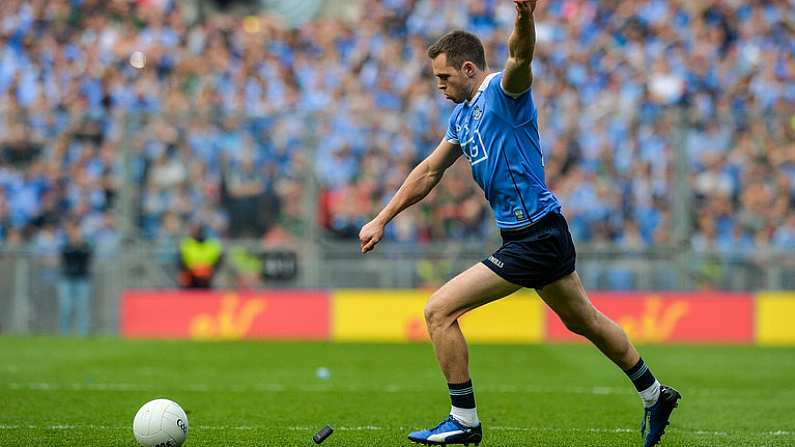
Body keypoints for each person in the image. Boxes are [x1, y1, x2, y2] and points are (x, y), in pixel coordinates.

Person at [358, 2, 681, 446]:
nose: (439, 86)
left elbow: (520, 58)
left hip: (535, 235)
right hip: (536, 233)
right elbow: (429, 171)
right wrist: (382, 217)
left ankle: (464, 420)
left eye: (444, 77)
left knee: (439, 311)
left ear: (468, 68)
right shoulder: (461, 116)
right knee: (584, 320)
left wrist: (524, 17)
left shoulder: (503, 94)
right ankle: (654, 393)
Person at [58, 221, 93, 336]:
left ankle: (83, 333)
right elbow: (65, 258)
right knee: (66, 307)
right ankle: (64, 333)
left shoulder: (86, 246)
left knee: (82, 308)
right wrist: (73, 245)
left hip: (82, 279)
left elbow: (86, 258)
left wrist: (79, 245)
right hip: (67, 279)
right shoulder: (66, 246)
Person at [178, 224, 223, 289]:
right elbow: (182, 261)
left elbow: (218, 261)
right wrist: (193, 269)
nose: (199, 234)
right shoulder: (187, 244)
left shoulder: (212, 244)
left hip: (208, 275)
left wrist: (207, 269)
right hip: (191, 274)